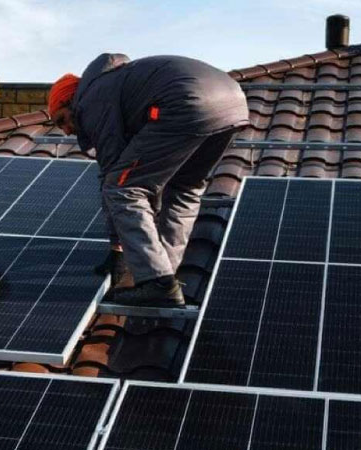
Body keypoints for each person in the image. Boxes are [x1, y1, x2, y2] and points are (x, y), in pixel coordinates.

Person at [48, 53, 249, 307]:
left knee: (123, 188)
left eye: (62, 119)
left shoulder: (91, 101)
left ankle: (157, 282)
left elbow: (114, 175)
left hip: (185, 102)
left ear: (71, 101)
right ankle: (166, 273)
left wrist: (117, 247)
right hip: (234, 103)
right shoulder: (115, 84)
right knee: (184, 188)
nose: (65, 131)